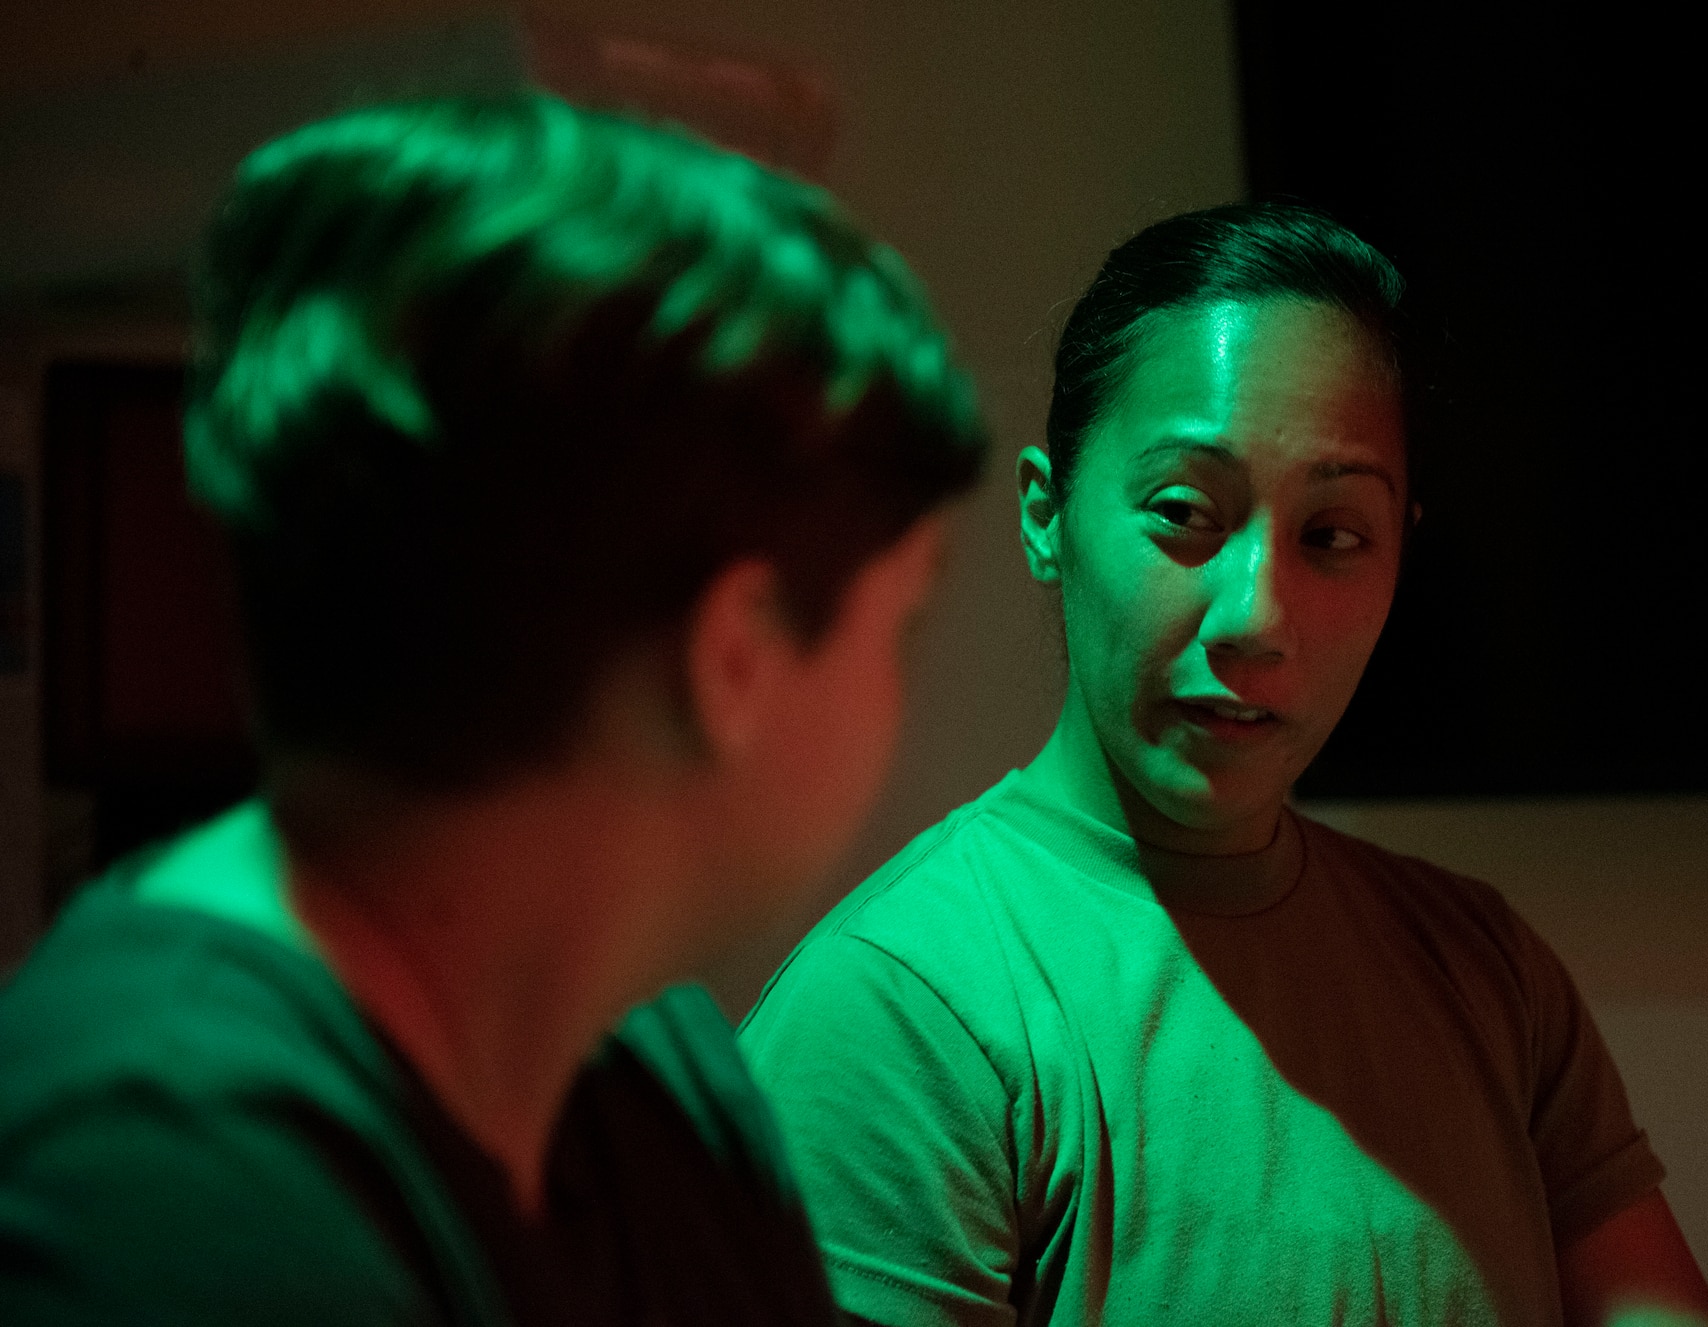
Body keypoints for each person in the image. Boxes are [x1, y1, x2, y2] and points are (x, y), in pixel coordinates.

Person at [0, 94, 984, 1325]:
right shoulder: (159, 1199)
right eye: (900, 625)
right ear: (732, 658)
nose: (897, 695)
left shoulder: (644, 1057)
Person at [738, 203, 1708, 1327]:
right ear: (1045, 514)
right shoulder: (900, 1016)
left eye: (1331, 536)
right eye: (1184, 514)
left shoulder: (1484, 971)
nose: (1256, 615)